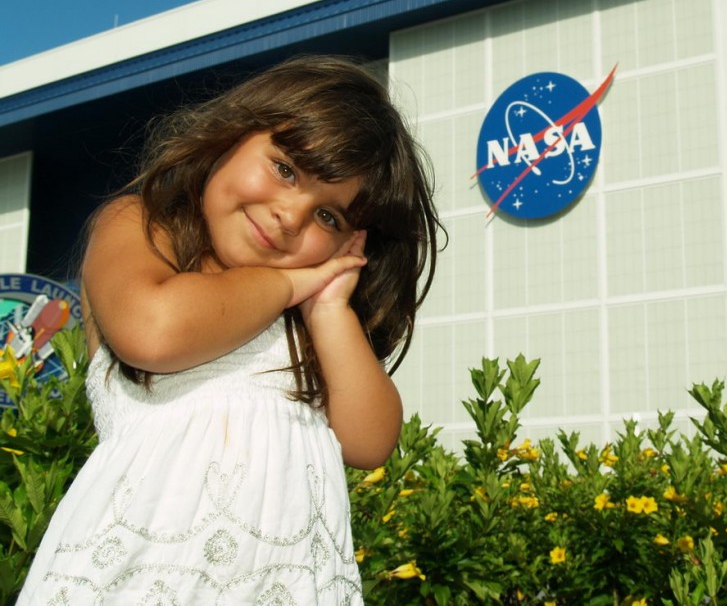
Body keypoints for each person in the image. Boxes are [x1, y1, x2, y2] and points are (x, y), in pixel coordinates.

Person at [18, 56, 442, 605]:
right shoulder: (140, 228)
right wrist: (289, 288)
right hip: (136, 578)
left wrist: (328, 310)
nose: (291, 215)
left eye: (329, 217)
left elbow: (370, 441)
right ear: (228, 138)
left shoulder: (311, 320)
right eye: (285, 168)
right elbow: (153, 330)